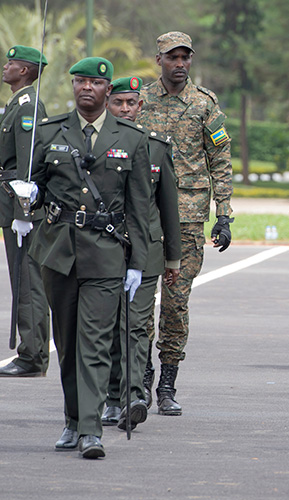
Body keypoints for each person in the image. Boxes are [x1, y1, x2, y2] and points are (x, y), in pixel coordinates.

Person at [28, 57, 151, 458]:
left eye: (94, 83)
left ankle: (91, 430)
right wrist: (29, 196)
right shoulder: (49, 132)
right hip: (58, 252)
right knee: (65, 342)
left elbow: (140, 208)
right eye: (79, 81)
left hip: (106, 254)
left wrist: (138, 264)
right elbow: (36, 188)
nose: (86, 88)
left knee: (94, 343)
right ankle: (71, 419)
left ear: (107, 91)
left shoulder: (131, 138)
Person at [140, 31, 234, 416]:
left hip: (189, 221)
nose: (179, 64)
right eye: (172, 57)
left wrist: (224, 214)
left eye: (185, 57)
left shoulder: (204, 104)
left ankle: (167, 384)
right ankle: (140, 379)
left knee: (176, 305)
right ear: (158, 59)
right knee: (140, 303)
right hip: (144, 218)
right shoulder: (139, 101)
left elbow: (221, 160)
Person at [101, 76, 181, 431]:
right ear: (107, 104)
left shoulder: (157, 148)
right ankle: (110, 395)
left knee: (134, 326)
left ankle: (133, 396)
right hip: (102, 248)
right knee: (106, 326)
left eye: (132, 103)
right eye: (119, 103)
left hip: (145, 251)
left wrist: (173, 258)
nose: (126, 109)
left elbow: (169, 209)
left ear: (140, 106)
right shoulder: (94, 145)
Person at [0, 45, 50, 378]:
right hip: (10, 202)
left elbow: (28, 163)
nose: (5, 67)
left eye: (11, 63)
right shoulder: (15, 104)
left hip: (21, 207)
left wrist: (23, 211)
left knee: (28, 280)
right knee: (21, 278)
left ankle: (32, 355)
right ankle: (29, 351)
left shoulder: (29, 105)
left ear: (25, 71)